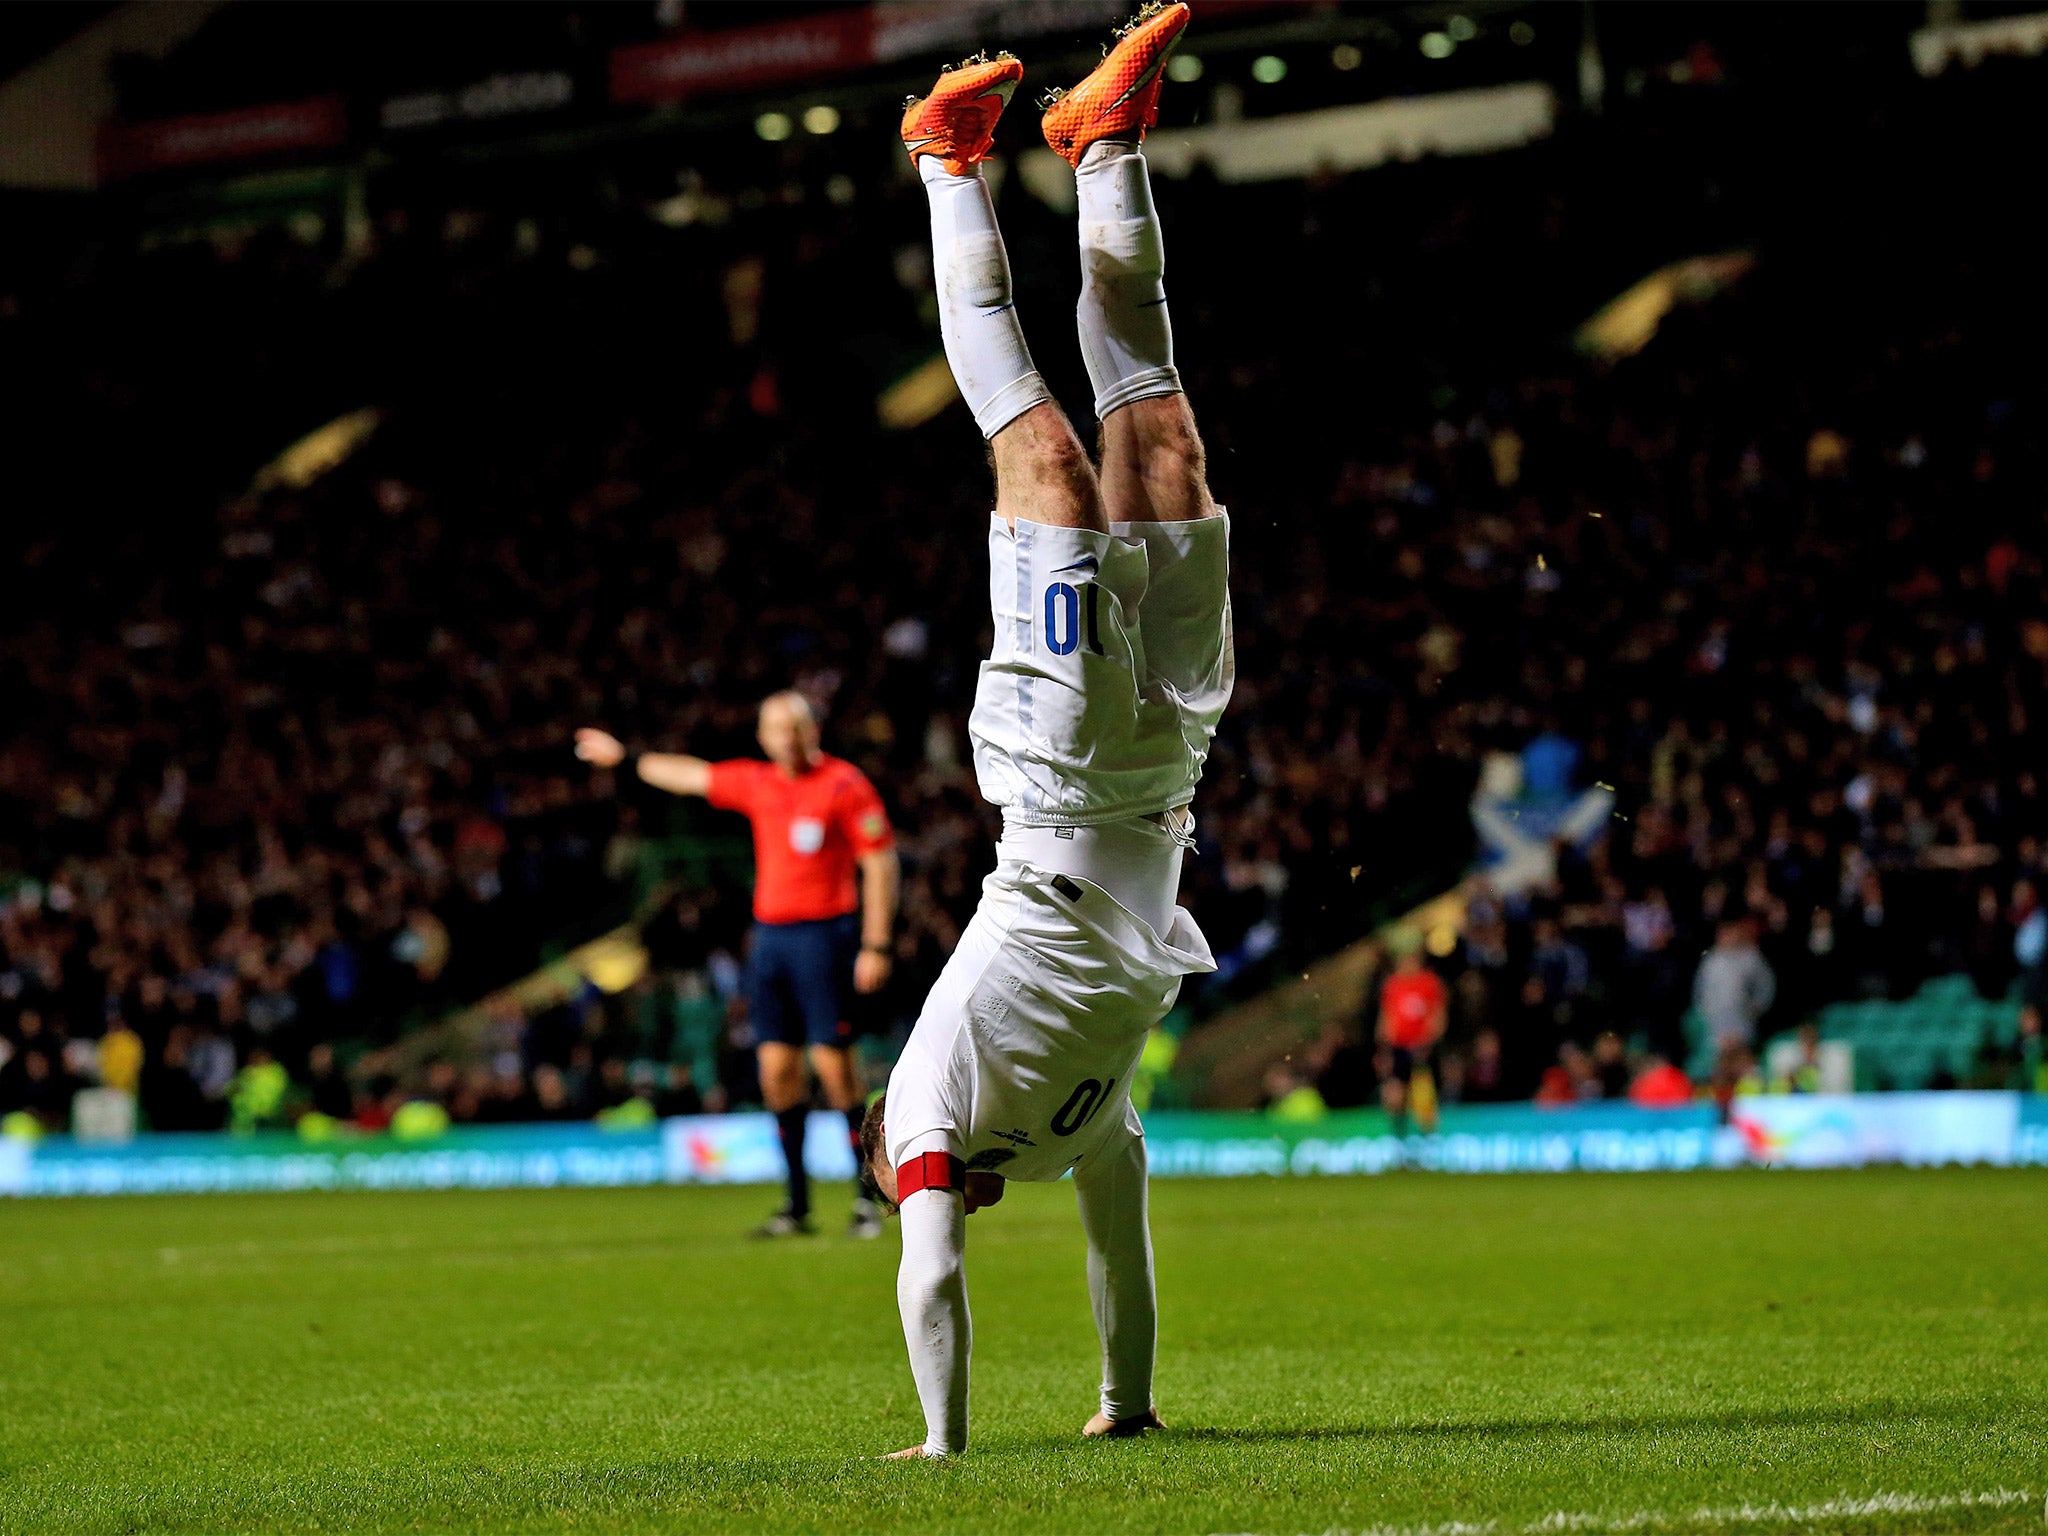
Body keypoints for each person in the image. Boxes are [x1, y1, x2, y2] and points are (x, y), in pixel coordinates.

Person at [861, 3, 1231, 1460]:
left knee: (1050, 464)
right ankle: (1101, 148)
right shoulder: (1089, 1125)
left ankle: (945, 166)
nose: (917, 1186)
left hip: (1062, 778)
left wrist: (945, 1450)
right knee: (1165, 445)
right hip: (1174, 766)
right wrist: (1124, 1408)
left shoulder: (925, 1102)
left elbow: (934, 1268)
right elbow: (1124, 1258)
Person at [575, 692, 900, 1239]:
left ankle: (867, 1197)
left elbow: (879, 861)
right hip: (771, 939)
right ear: (764, 737)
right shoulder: (758, 782)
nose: (788, 738)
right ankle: (796, 1207)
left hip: (826, 935)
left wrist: (876, 944)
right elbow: (690, 776)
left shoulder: (845, 784)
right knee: (777, 1073)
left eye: (795, 727)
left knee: (835, 1070)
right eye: (777, 729)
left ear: (811, 729)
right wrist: (625, 758)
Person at [1375, 944, 1448, 1132]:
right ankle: (1399, 1135)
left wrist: (1427, 1040)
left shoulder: (1429, 982)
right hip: (1399, 1048)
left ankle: (1428, 1138)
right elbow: (1387, 1019)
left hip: (1423, 1049)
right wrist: (1384, 1050)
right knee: (1395, 1095)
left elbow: (1438, 1016)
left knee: (1425, 1097)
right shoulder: (1393, 984)